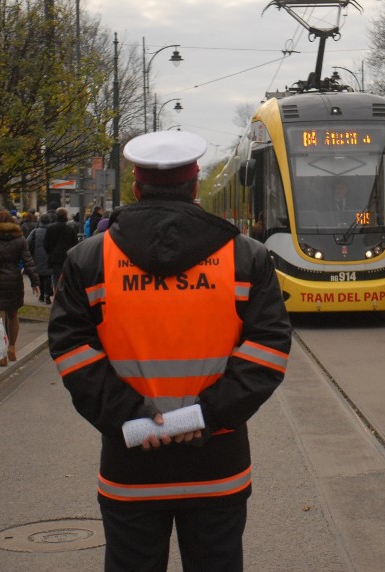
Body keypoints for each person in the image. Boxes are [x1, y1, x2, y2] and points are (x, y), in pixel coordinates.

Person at [48, 130, 292, 571]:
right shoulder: (246, 258)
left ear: (137, 188)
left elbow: (72, 352)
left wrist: (133, 419)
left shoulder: (89, 259)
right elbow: (269, 352)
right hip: (216, 461)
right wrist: (203, 416)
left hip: (131, 461)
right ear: (195, 187)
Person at [0, 210, 39, 365]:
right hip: (14, 278)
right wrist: (34, 281)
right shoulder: (19, 239)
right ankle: (12, 347)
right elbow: (28, 261)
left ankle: (1, 352)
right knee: (13, 315)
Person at [43, 207, 78, 289]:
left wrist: (50, 253)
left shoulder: (50, 228)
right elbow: (75, 243)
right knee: (67, 279)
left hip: (55, 258)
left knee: (57, 278)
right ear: (65, 216)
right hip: (67, 257)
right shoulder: (70, 228)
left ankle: (57, 296)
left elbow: (46, 243)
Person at [26, 213, 53, 304]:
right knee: (48, 276)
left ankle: (41, 295)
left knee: (40, 276)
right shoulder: (52, 230)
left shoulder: (35, 231)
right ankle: (47, 295)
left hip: (37, 256)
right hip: (49, 256)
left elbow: (28, 243)